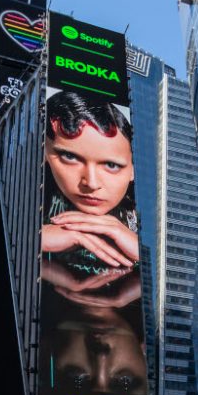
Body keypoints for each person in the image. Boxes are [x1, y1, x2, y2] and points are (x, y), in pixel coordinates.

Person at [42, 91, 138, 269]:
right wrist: (35, 239)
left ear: (133, 170)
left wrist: (145, 254)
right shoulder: (25, 194)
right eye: (70, 157)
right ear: (45, 151)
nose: (91, 183)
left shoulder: (151, 220)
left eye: (111, 165)